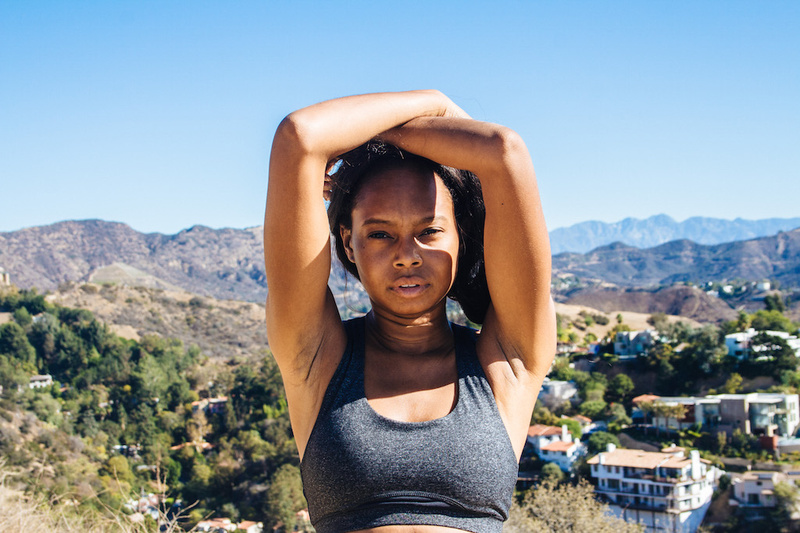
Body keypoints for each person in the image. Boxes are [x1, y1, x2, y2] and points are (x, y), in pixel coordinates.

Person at [264, 90, 556, 533]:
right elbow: (300, 137)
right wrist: (430, 106)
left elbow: (503, 150)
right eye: (380, 234)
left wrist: (417, 115)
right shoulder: (317, 357)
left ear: (461, 236)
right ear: (347, 242)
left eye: (430, 230)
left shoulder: (507, 361)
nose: (407, 255)